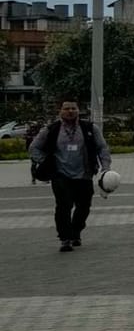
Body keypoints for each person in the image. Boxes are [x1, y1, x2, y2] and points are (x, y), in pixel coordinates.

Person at [27, 97, 112, 252]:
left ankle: (76, 231)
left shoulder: (90, 128)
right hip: (60, 175)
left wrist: (105, 168)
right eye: (66, 108)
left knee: (84, 206)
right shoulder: (51, 129)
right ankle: (65, 238)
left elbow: (102, 148)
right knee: (63, 206)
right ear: (60, 111)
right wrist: (47, 162)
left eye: (73, 108)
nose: (70, 111)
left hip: (84, 174)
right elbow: (34, 148)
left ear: (79, 110)